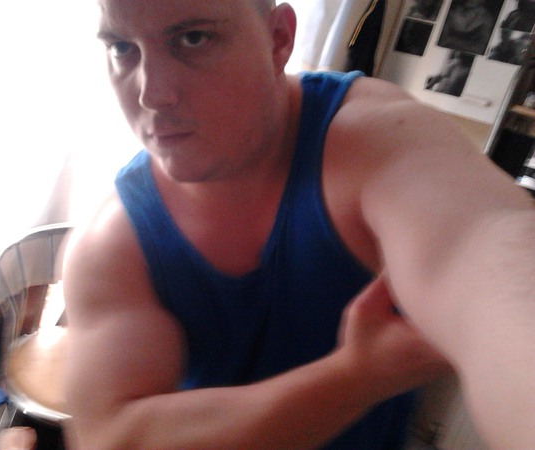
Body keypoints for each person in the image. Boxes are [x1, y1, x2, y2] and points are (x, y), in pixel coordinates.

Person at [62, 1, 535, 449]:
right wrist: (356, 377)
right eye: (122, 48)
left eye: (193, 38)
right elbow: (113, 437)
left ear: (278, 39)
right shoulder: (114, 237)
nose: (152, 94)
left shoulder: (374, 141)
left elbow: (492, 255)